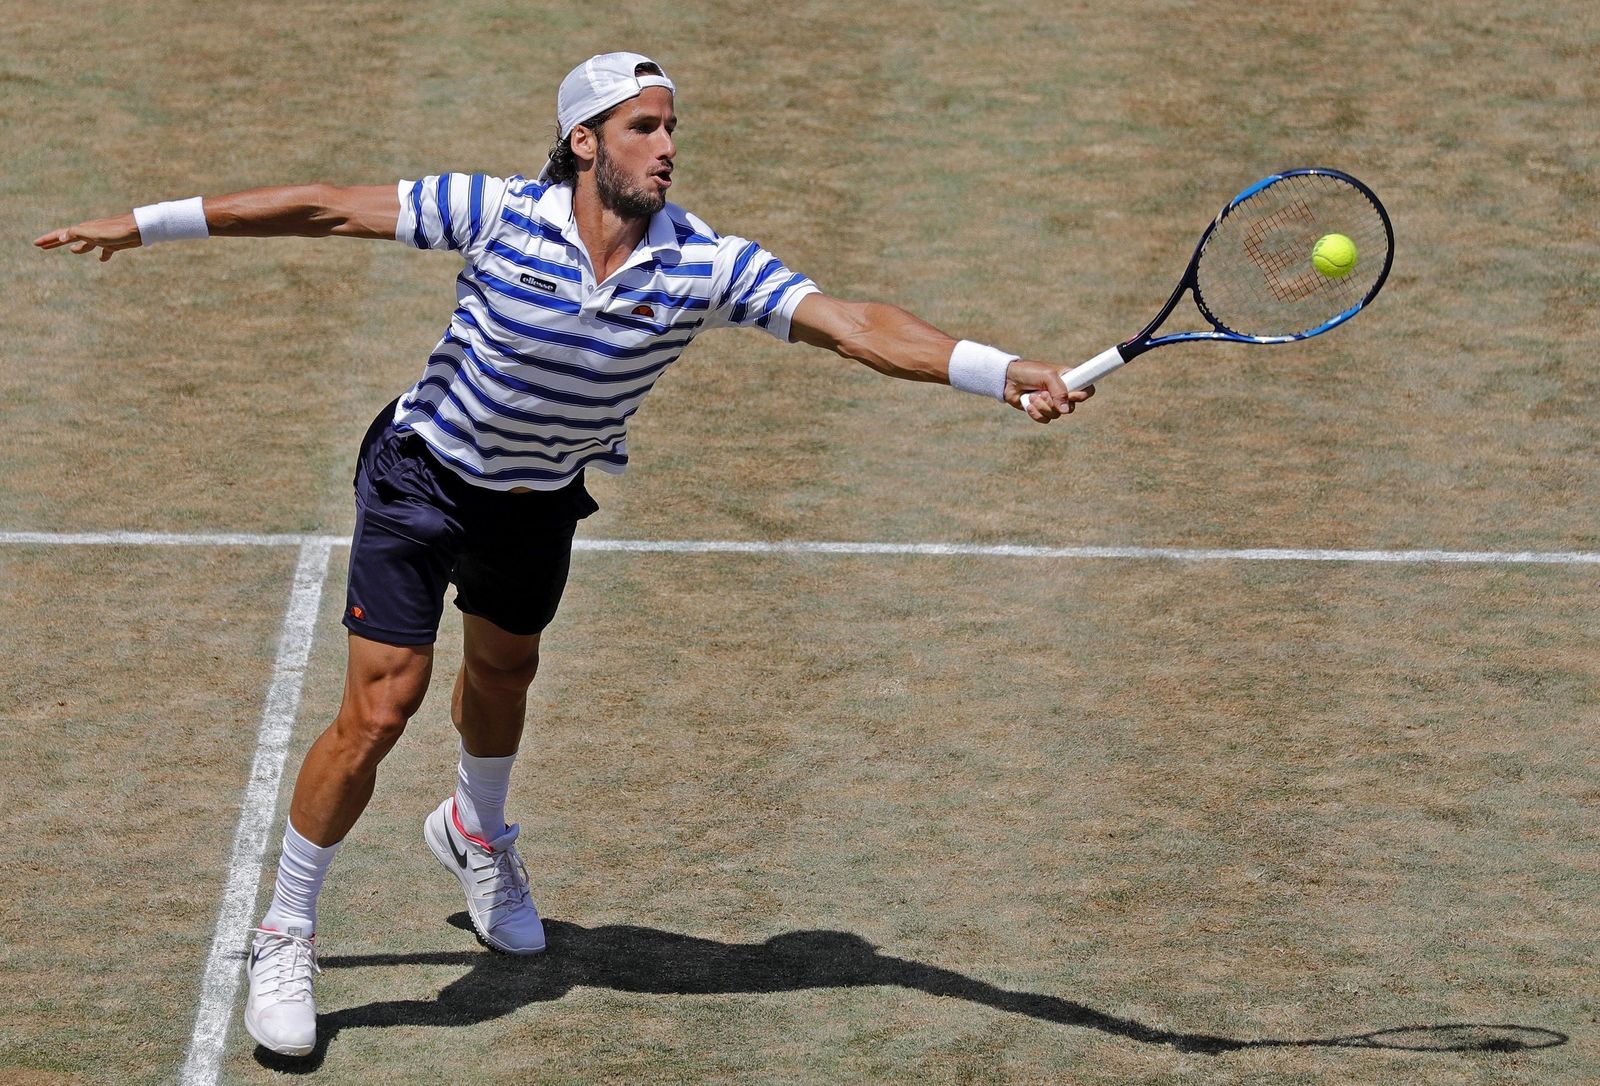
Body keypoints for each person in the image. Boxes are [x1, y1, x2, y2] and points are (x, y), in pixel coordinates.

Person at [34, 51, 1093, 1058]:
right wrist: (144, 224)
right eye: (644, 126)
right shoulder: (494, 211)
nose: (667, 145)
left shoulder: (706, 263)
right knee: (382, 708)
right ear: (584, 142)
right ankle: (286, 930)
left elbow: (853, 322)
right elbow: (323, 205)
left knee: (504, 671)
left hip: (535, 504)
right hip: (421, 479)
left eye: (672, 126)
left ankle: (476, 833)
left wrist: (996, 371)